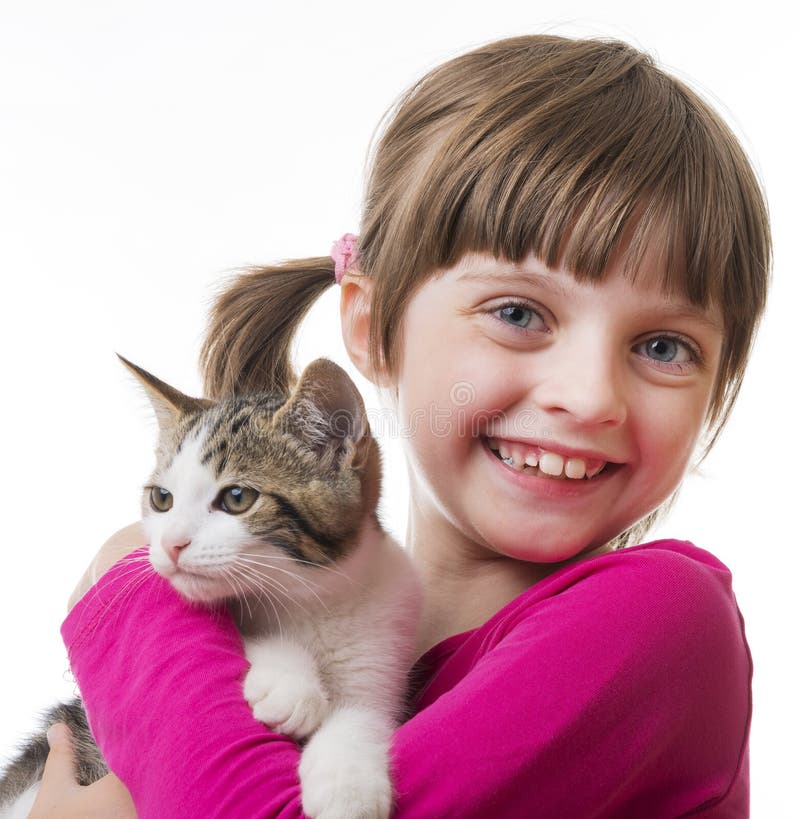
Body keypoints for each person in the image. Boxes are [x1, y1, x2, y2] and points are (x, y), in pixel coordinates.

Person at [32, 34, 769, 818]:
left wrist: (128, 580)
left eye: (663, 346)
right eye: (518, 312)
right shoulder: (279, 626)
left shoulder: (660, 622)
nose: (590, 397)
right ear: (372, 327)